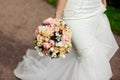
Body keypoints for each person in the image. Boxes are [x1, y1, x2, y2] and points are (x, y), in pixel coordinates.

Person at [13, 0, 119, 80]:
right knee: (89, 56)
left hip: (94, 9)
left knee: (85, 56)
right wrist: (57, 18)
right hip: (75, 14)